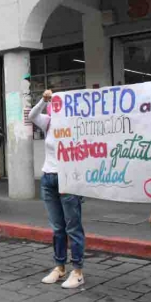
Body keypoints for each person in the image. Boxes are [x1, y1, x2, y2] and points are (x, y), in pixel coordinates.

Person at [28, 90, 86, 289]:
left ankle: (77, 271)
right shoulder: (49, 122)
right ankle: (59, 267)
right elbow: (32, 116)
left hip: (68, 179)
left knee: (73, 227)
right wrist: (43, 101)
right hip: (49, 179)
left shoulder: (78, 124)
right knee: (57, 228)